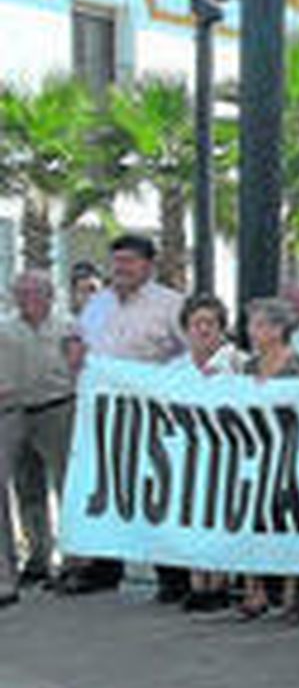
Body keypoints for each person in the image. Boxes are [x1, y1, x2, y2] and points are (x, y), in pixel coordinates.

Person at [69, 234, 187, 598]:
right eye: (117, 261)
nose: (121, 268)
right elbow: (79, 341)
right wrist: (73, 352)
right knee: (105, 490)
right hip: (104, 416)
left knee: (156, 492)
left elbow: (192, 352)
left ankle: (173, 577)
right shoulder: (99, 304)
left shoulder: (170, 304)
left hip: (152, 415)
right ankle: (104, 568)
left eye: (130, 261)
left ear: (148, 266)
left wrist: (162, 384)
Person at [236, 298, 299, 623]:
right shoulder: (248, 368)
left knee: (290, 520)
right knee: (252, 519)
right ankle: (253, 589)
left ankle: (291, 593)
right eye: (251, 324)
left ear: (278, 329)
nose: (251, 331)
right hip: (256, 450)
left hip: (291, 450)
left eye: (258, 325)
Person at [0, 272, 75, 594]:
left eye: (34, 292)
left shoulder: (68, 327)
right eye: (21, 293)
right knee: (26, 488)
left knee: (66, 487)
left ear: (49, 296)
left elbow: (83, 366)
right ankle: (37, 557)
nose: (27, 298)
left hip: (56, 409)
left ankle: (73, 561)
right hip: (14, 413)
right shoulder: (4, 328)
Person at [173, 293, 244, 613]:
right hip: (187, 453)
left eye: (210, 323)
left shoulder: (239, 363)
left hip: (227, 452)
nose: (203, 330)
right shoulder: (175, 367)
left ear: (222, 328)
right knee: (191, 517)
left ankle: (220, 583)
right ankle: (197, 583)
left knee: (221, 518)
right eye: (196, 323)